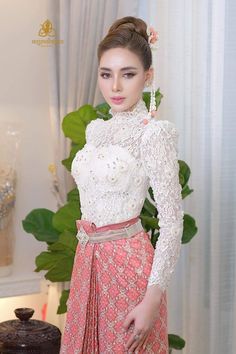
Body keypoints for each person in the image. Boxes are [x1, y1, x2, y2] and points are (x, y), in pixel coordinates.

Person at [60, 16, 184, 354]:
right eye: (106, 74)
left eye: (127, 74)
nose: (115, 86)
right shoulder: (96, 131)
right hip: (88, 263)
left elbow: (172, 223)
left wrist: (152, 299)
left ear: (148, 77)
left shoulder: (152, 134)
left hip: (130, 269)